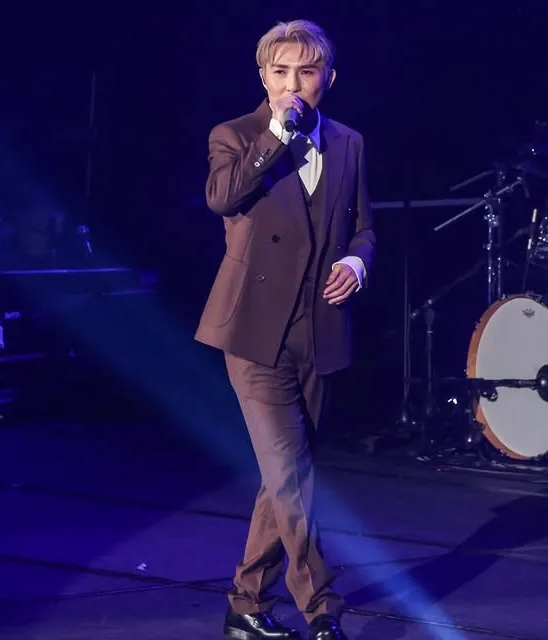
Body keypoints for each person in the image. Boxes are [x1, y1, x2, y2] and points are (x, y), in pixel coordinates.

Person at [195, 19, 375, 640]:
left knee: (285, 479)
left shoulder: (349, 142)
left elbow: (364, 226)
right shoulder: (236, 136)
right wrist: (276, 135)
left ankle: (245, 604)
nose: (293, 84)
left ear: (329, 77)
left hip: (317, 332)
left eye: (306, 71)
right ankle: (322, 608)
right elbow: (222, 197)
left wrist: (357, 263)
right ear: (264, 78)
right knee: (292, 478)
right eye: (280, 72)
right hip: (253, 333)